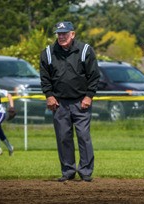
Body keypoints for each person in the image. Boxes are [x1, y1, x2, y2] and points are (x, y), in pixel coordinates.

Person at [39, 21, 100, 182]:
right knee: (63, 137)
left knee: (83, 136)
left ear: (72, 34)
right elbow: (45, 78)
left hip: (81, 102)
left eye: (65, 33)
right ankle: (68, 171)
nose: (61, 36)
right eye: (59, 34)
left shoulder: (85, 50)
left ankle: (86, 172)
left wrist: (89, 96)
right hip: (59, 103)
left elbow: (94, 76)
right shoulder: (48, 53)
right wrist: (49, 95)